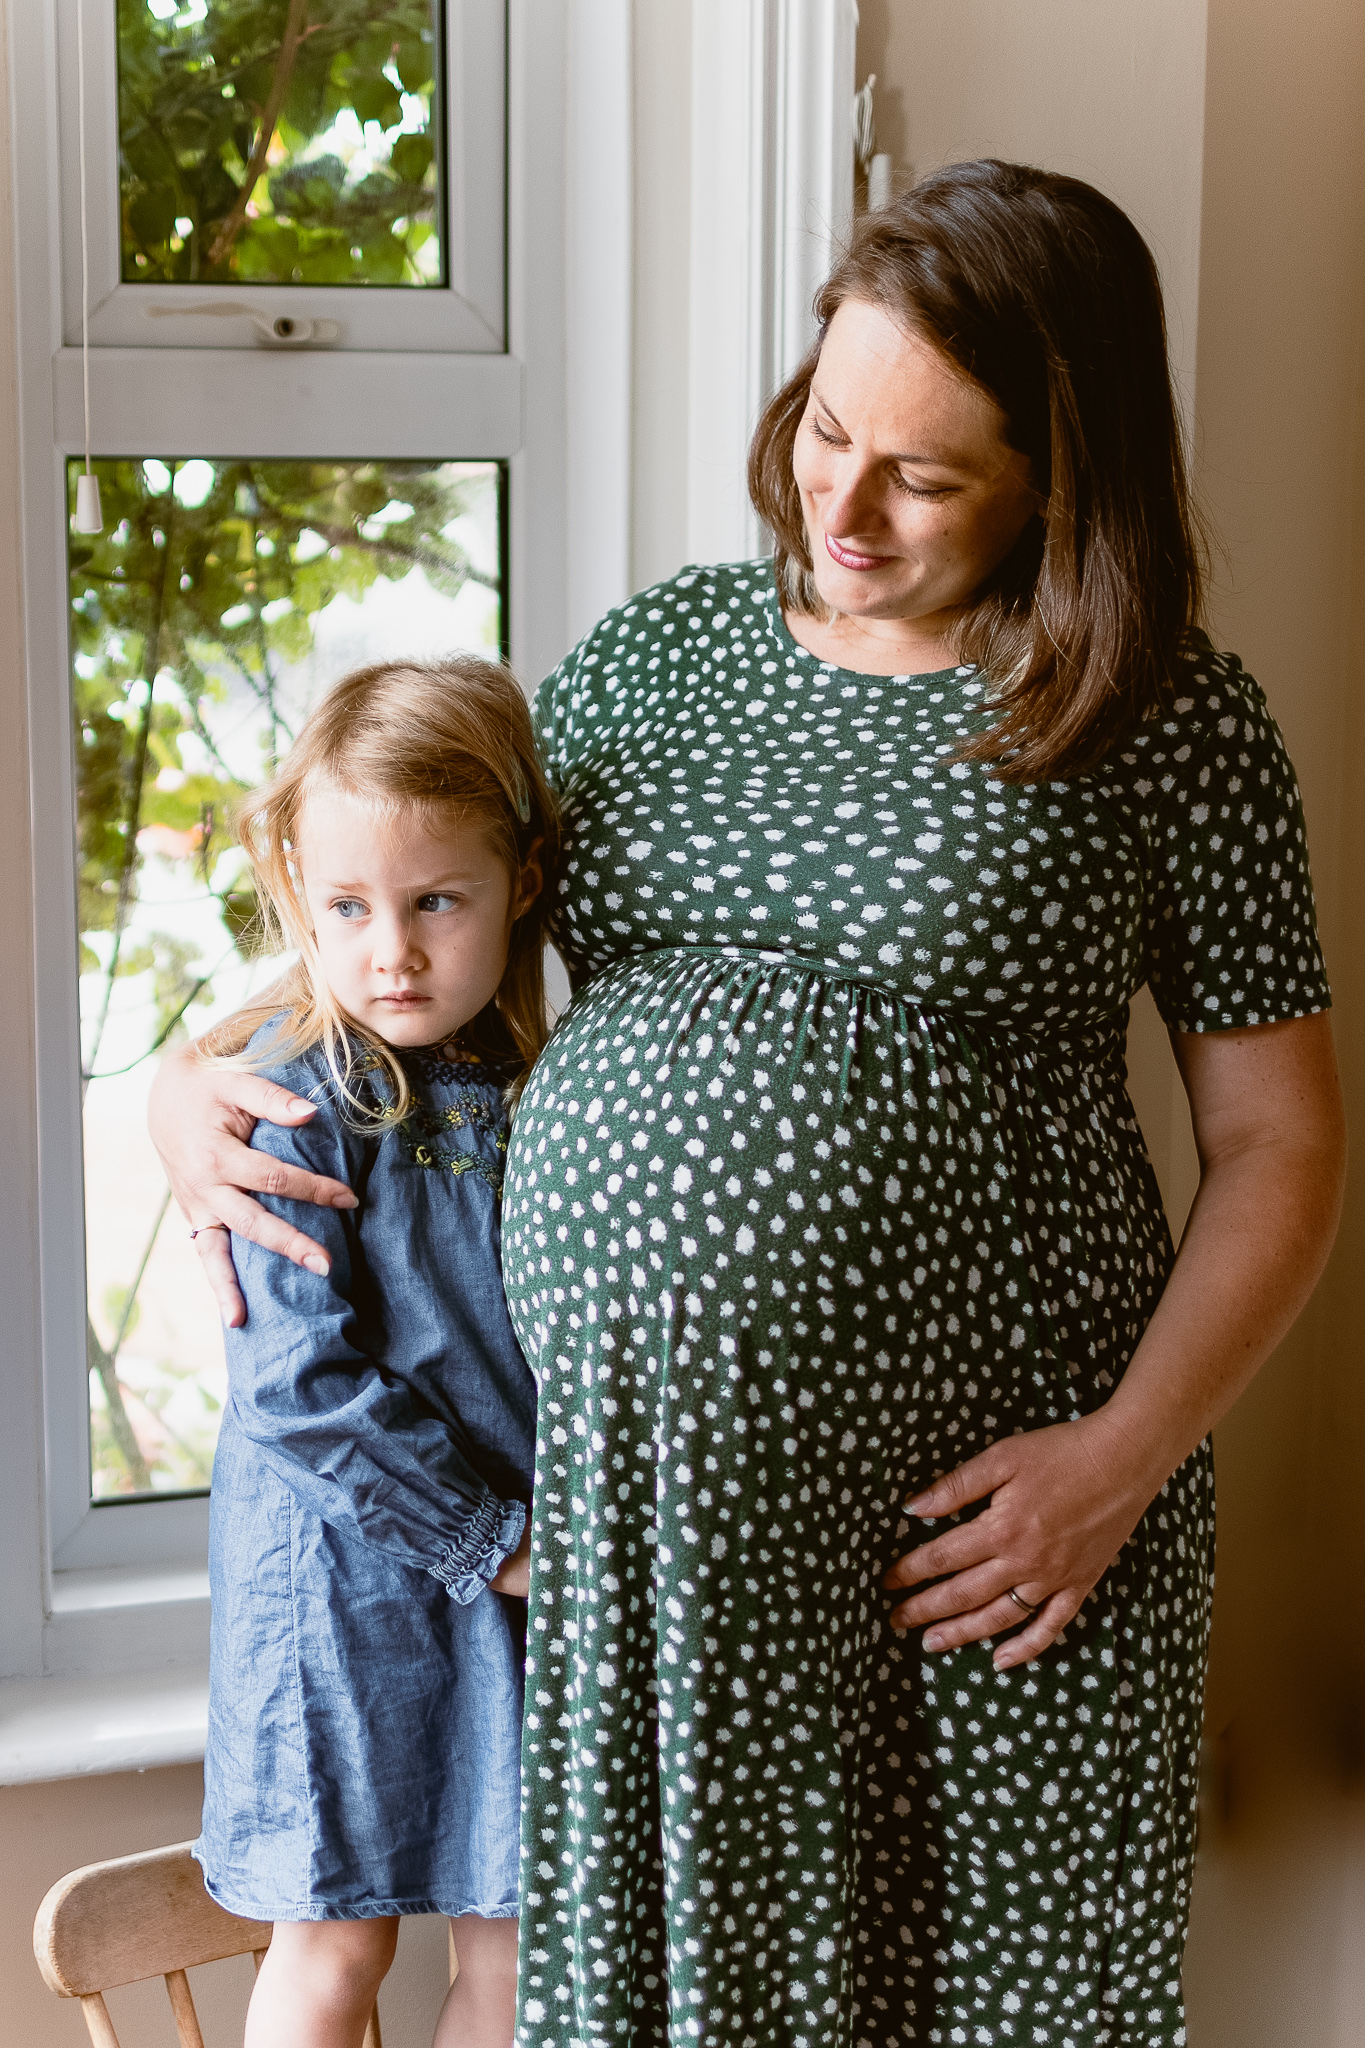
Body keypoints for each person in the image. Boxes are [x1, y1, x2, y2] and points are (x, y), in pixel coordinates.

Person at [153, 162, 1345, 2048]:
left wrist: (1116, 1460)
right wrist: (189, 1078)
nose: (842, 504)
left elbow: (1281, 1145)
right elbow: (423, 914)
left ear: (1063, 476)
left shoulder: (1164, 717)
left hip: (979, 1545)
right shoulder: (650, 657)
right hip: (649, 1544)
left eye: (926, 474)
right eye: (828, 426)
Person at [189, 657, 556, 2048]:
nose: (389, 951)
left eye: (432, 902)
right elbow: (294, 1387)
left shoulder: (535, 1082)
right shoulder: (288, 1089)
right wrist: (489, 1538)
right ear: (295, 885)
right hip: (340, 1585)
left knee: (515, 1944)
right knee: (333, 1942)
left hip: (514, 1577)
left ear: (519, 883)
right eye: (347, 907)